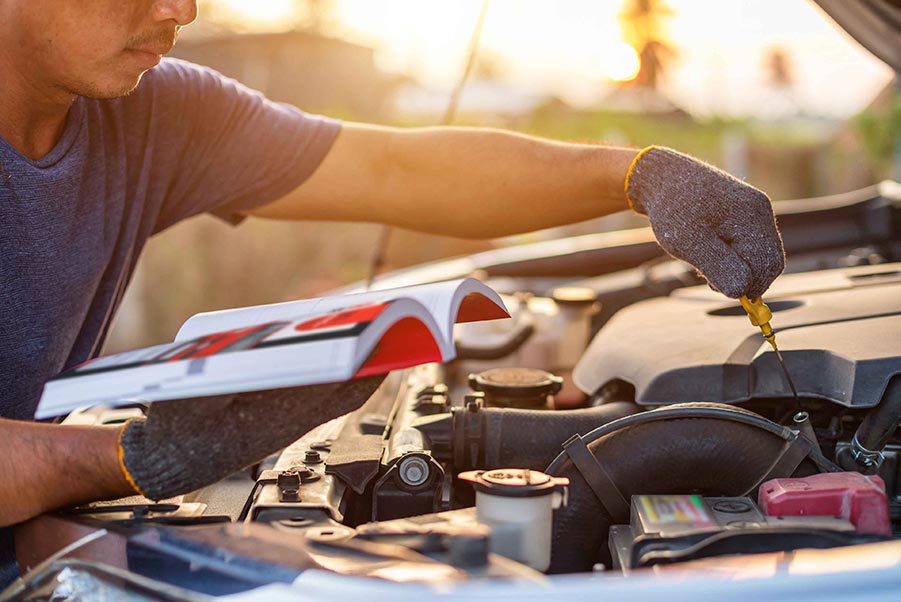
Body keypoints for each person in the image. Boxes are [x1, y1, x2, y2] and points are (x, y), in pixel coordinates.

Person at [0, 0, 785, 584]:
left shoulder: (153, 111)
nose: (182, 11)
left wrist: (633, 176)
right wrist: (133, 458)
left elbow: (397, 170)